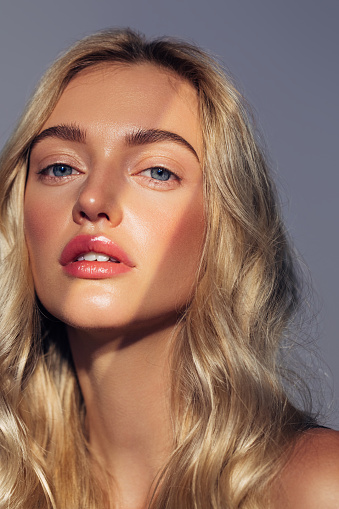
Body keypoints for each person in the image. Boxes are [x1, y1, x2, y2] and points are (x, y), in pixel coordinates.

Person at [0, 28, 338, 509]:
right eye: (60, 167)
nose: (93, 199)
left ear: (225, 223)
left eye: (157, 171)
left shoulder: (316, 487)